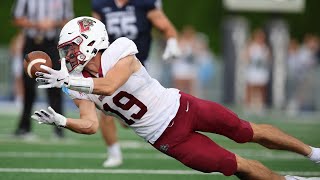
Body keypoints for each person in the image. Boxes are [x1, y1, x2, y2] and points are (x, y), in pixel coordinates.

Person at [32, 17, 319, 180]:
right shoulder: (75, 82)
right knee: (234, 165)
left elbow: (109, 85)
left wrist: (68, 80)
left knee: (246, 131)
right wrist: (61, 120)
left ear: (91, 40)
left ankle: (313, 153)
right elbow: (90, 124)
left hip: (183, 107)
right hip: (168, 139)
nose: (67, 56)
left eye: (71, 48)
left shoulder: (119, 49)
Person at [91, 0, 181, 167]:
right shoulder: (101, 5)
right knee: (104, 108)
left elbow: (165, 26)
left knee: (128, 119)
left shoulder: (144, 3)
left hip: (135, 66)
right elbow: (91, 30)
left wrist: (172, 43)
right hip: (107, 64)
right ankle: (114, 153)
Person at [12, 0, 74, 139]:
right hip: (31, 43)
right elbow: (17, 19)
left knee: (55, 85)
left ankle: (59, 129)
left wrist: (53, 23)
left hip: (52, 44)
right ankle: (24, 127)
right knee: (28, 86)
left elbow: (68, 20)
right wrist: (36, 24)